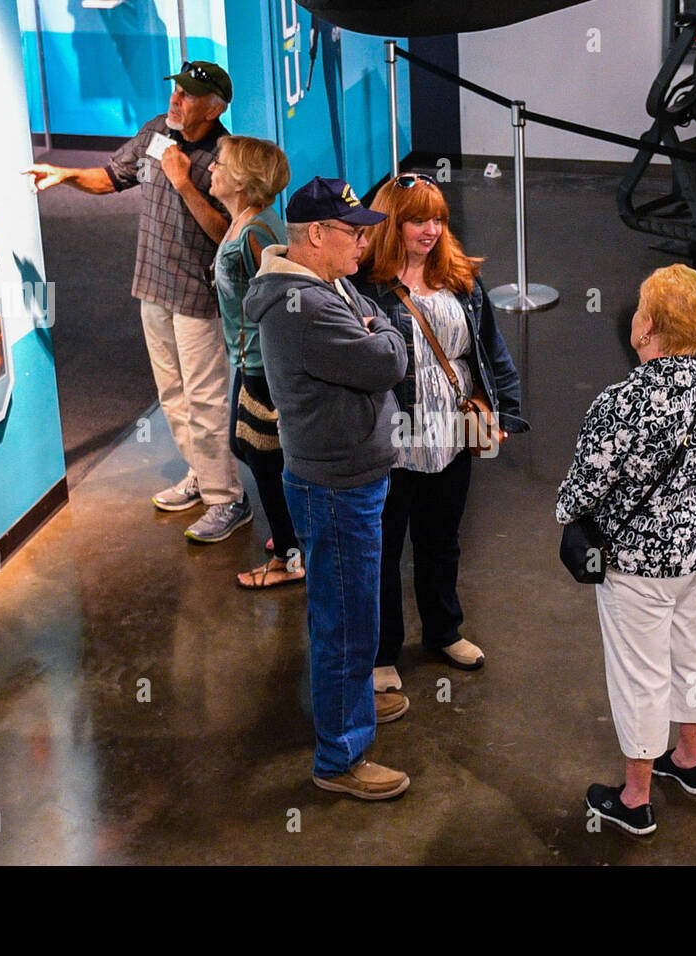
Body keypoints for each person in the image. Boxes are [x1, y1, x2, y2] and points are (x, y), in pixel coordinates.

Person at [24, 61, 252, 544]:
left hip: (197, 295)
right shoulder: (154, 132)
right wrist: (64, 174)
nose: (176, 99)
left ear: (214, 109)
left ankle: (227, 498)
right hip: (152, 287)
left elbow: (226, 232)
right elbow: (113, 176)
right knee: (172, 395)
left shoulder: (225, 157)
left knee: (207, 398)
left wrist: (185, 181)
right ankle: (201, 474)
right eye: (176, 90)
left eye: (188, 96)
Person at [243, 177, 410, 800]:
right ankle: (340, 756)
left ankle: (352, 706)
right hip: (337, 486)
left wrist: (373, 326)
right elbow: (387, 359)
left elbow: (371, 339)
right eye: (354, 231)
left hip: (342, 477)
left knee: (350, 613)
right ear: (316, 235)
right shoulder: (309, 305)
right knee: (344, 621)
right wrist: (386, 328)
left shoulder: (320, 286)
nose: (365, 243)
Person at [555, 264, 696, 836]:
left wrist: (567, 513)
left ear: (646, 324)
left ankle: (634, 798)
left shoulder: (620, 401)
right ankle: (690, 760)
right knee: (690, 652)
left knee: (640, 675)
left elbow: (582, 489)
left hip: (639, 564)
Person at [355, 172, 528, 692]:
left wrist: (507, 410)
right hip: (390, 441)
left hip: (451, 433)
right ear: (391, 223)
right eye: (416, 221)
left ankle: (443, 631)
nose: (430, 230)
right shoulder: (364, 286)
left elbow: (489, 350)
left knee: (442, 540)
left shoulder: (461, 278)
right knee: (384, 548)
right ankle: (382, 651)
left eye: (437, 219)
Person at [208, 135, 304, 588]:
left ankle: (291, 555)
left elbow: (281, 298)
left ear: (243, 183)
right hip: (249, 359)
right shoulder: (246, 222)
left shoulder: (256, 232)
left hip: (260, 364)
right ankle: (294, 534)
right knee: (246, 447)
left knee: (261, 456)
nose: (212, 168)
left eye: (221, 165)